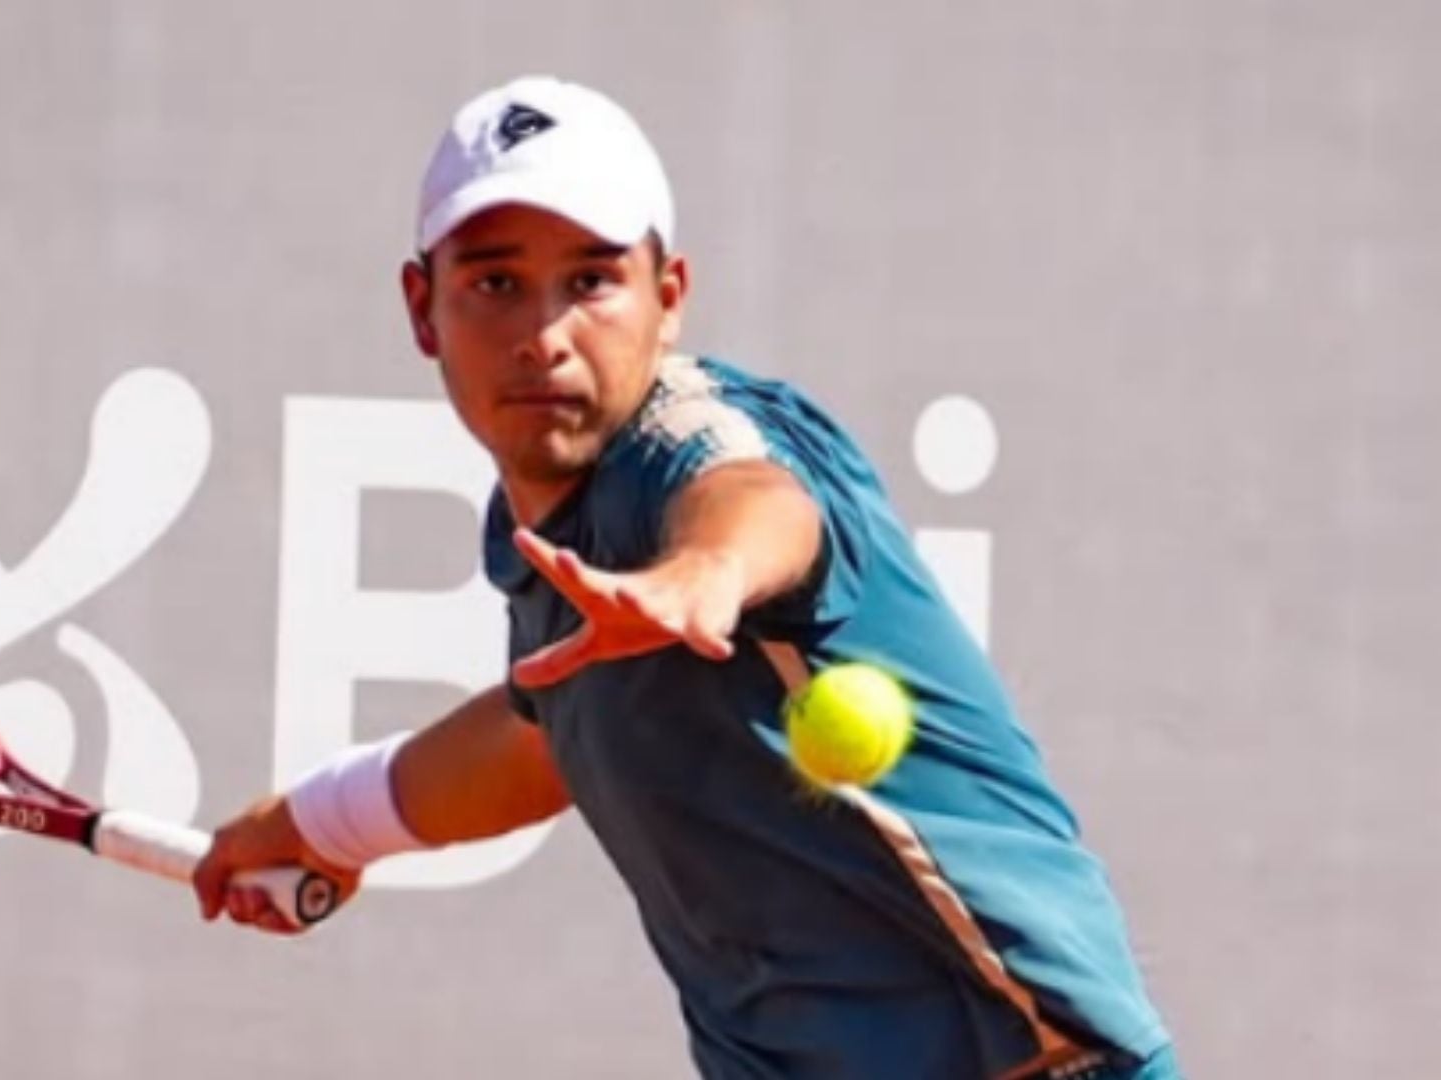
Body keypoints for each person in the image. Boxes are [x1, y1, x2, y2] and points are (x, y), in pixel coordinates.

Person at [191, 75, 1179, 1080]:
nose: (545, 335)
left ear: (667, 302)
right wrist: (319, 822)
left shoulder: (697, 440)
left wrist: (702, 573)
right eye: (495, 284)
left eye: (591, 282)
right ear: (422, 308)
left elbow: (758, 501)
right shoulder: (547, 544)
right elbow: (536, 742)